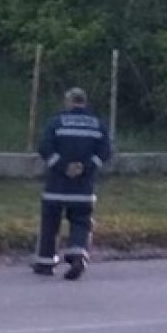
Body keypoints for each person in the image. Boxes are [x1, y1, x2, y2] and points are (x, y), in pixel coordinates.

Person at [33, 87, 113, 280]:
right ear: (84, 102)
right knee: (81, 222)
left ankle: (45, 263)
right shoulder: (97, 125)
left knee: (50, 224)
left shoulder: (56, 122)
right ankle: (77, 256)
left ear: (68, 101)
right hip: (83, 188)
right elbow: (105, 152)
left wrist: (62, 167)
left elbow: (44, 147)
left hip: (56, 187)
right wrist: (85, 168)